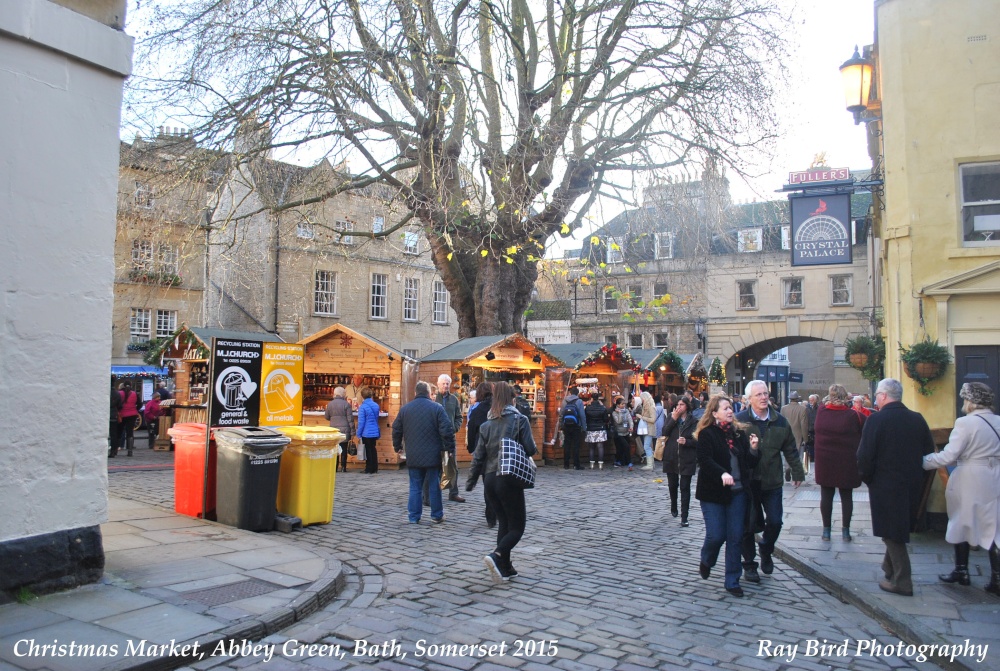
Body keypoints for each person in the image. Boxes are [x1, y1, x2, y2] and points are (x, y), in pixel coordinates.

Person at [857, 378, 935, 596]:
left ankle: (903, 581)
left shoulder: (876, 420)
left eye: (877, 396)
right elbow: (928, 452)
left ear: (883, 396)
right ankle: (888, 568)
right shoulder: (917, 419)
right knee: (897, 527)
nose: (876, 399)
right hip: (912, 483)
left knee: (891, 533)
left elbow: (864, 457)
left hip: (885, 484)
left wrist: (868, 478)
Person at [923, 382, 1000, 595]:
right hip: (995, 477)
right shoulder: (998, 421)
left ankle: (961, 571)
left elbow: (950, 456)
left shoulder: (965, 423)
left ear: (971, 401)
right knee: (995, 527)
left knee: (962, 521)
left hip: (971, 478)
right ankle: (997, 578)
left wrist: (924, 461)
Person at [466, 382, 537, 583]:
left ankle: (505, 567)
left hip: (489, 479)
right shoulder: (520, 419)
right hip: (508, 477)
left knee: (504, 523)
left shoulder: (486, 425)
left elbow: (478, 457)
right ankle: (497, 555)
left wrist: (471, 482)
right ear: (512, 399)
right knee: (517, 527)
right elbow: (530, 449)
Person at [737, 379, 804, 584]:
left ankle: (766, 549)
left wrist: (797, 472)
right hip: (748, 483)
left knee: (775, 521)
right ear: (749, 399)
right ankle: (749, 565)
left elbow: (790, 449)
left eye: (765, 393)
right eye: (758, 394)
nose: (764, 397)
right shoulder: (740, 421)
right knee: (747, 525)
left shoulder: (780, 421)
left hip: (772, 481)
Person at [694, 395, 760, 597]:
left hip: (738, 493)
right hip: (713, 493)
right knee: (716, 535)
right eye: (725, 408)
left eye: (731, 407)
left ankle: (732, 580)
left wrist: (753, 449)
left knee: (735, 537)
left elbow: (748, 463)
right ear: (714, 413)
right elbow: (704, 460)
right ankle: (707, 559)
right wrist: (722, 473)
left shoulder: (738, 434)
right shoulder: (707, 434)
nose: (730, 411)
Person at [392, 381, 456, 524]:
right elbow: (447, 430)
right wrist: (449, 449)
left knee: (415, 486)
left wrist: (397, 447)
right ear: (428, 393)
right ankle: (436, 515)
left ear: (415, 393)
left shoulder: (405, 409)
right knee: (434, 485)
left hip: (413, 454)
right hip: (433, 454)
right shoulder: (437, 408)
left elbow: (396, 429)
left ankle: (414, 516)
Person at [813, 384, 865, 542]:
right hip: (846, 461)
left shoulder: (821, 412)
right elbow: (867, 426)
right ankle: (846, 532)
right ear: (846, 397)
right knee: (846, 496)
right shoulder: (853, 416)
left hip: (825, 461)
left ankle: (826, 531)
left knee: (826, 495)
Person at [663, 396, 698, 526]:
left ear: (687, 406)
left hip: (687, 457)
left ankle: (684, 517)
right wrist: (673, 419)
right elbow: (664, 432)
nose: (679, 407)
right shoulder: (671, 417)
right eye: (677, 404)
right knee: (672, 485)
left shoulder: (694, 421)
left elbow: (698, 440)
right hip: (671, 456)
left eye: (682, 404)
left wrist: (687, 442)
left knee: (685, 487)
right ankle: (674, 505)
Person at [467, 382, 496, 527]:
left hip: (484, 452)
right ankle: (499, 512)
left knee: (488, 484)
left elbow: (471, 431)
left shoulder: (477, 410)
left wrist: (471, 447)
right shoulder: (498, 408)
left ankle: (491, 517)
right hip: (499, 451)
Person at [434, 374, 465, 502]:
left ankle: (453, 493)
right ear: (438, 384)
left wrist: (454, 428)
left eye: (447, 383)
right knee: (435, 466)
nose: (445, 386)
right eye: (443, 383)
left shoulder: (454, 399)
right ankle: (433, 493)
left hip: (449, 437)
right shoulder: (433, 399)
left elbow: (459, 417)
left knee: (451, 466)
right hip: (435, 438)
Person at [780, 391, 810, 481]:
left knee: (787, 453)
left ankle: (787, 467)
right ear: (797, 399)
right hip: (798, 434)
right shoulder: (802, 409)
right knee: (798, 455)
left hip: (786, 434)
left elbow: (781, 423)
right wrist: (805, 438)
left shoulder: (783, 408)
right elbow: (804, 425)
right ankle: (795, 472)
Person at [325, 387, 355, 472]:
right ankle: (343, 467)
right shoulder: (346, 404)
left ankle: (335, 467)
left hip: (334, 430)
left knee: (335, 449)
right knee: (344, 449)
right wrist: (353, 431)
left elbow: (327, 417)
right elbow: (350, 419)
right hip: (345, 430)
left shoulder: (330, 404)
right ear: (343, 394)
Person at [356, 386, 381, 474]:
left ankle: (369, 468)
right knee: (373, 449)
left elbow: (361, 422)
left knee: (368, 450)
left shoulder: (362, 407)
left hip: (366, 432)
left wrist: (358, 433)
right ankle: (375, 467)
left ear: (362, 396)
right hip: (374, 431)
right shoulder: (376, 405)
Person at [559, 386, 586, 470]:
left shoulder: (565, 400)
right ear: (577, 393)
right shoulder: (579, 401)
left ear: (570, 393)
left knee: (567, 444)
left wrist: (561, 424)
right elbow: (582, 415)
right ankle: (576, 464)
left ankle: (566, 464)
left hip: (566, 425)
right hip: (576, 425)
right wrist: (584, 427)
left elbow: (561, 413)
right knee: (576, 445)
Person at [583, 391, 609, 469]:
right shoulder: (603, 408)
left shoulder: (587, 408)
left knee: (591, 447)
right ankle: (600, 464)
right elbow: (606, 419)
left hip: (590, 428)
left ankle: (592, 464)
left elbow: (585, 419)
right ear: (598, 399)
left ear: (591, 399)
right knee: (600, 446)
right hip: (600, 428)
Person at [635, 390, 657, 470]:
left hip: (649, 429)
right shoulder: (646, 406)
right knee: (647, 446)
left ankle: (650, 465)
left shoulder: (651, 407)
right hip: (646, 429)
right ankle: (651, 464)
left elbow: (653, 419)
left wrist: (642, 417)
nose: (642, 400)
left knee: (646, 446)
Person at [610, 395, 634, 470]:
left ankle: (621, 461)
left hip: (626, 432)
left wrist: (631, 426)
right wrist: (620, 413)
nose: (623, 405)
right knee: (625, 446)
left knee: (623, 448)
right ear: (618, 405)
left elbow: (630, 419)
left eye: (624, 404)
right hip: (619, 433)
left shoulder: (626, 411)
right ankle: (629, 462)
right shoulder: (614, 413)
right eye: (622, 404)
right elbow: (618, 421)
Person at [118, 382, 140, 457]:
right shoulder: (134, 394)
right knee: (130, 432)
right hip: (132, 415)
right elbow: (139, 404)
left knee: (119, 431)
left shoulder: (120, 393)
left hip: (122, 415)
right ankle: (130, 450)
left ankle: (116, 449)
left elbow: (118, 404)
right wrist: (135, 409)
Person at [108, 386, 123, 458]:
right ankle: (113, 451)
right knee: (113, 435)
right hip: (113, 415)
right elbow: (120, 406)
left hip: (106, 414)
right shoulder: (117, 393)